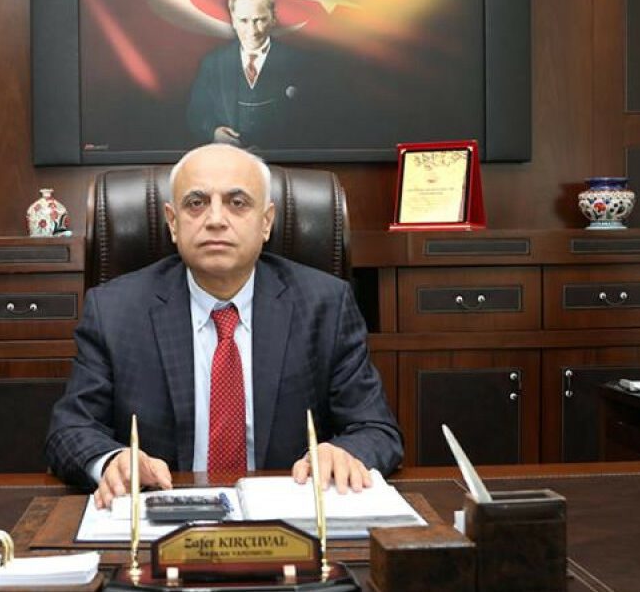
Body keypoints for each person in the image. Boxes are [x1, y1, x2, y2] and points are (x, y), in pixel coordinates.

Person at [44, 143, 402, 508]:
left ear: (266, 222)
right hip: (165, 516)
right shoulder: (114, 311)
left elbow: (376, 429)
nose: (215, 219)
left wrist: (344, 453)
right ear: (172, 222)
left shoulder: (326, 306)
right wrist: (111, 461)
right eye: (196, 203)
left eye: (237, 202)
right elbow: (70, 430)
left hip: (288, 516)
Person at [186, 0, 318, 147]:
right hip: (230, 158)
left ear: (273, 19)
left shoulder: (299, 63)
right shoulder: (213, 63)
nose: (253, 30)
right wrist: (213, 132)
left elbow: (313, 120)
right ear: (233, 21)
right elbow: (196, 114)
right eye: (243, 21)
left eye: (260, 20)